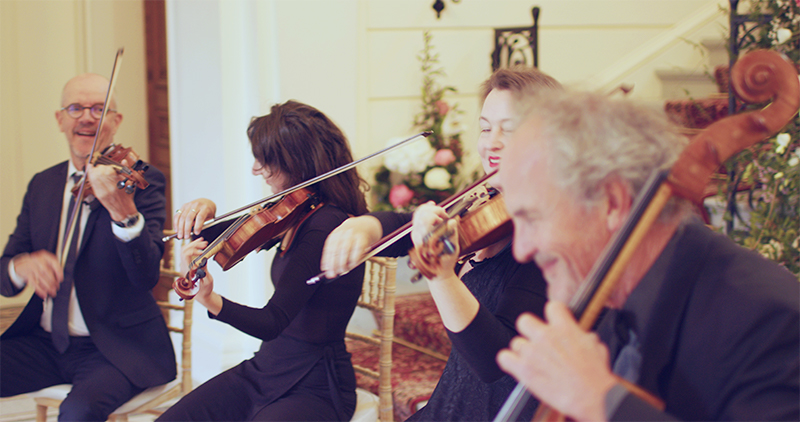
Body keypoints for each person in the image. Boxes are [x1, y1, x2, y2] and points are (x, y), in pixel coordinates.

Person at [495, 90, 800, 421]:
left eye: (532, 218)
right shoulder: (614, 311)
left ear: (611, 202)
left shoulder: (768, 319)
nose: (520, 249)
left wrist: (601, 401)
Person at [320, 67, 560, 421]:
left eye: (509, 129)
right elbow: (416, 222)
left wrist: (443, 278)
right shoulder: (489, 203)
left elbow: (496, 359)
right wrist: (368, 226)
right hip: (448, 406)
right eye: (484, 127)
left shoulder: (549, 237)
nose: (491, 141)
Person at [158, 100, 369, 421]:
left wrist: (210, 299)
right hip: (266, 369)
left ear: (297, 161)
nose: (256, 169)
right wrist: (206, 206)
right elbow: (216, 234)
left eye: (265, 160)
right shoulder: (296, 211)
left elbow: (271, 322)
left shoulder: (325, 225)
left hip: (314, 384)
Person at [0, 73, 175, 421]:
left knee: (78, 413)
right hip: (45, 343)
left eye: (99, 108)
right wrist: (22, 266)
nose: (87, 117)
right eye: (76, 108)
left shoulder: (142, 181)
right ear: (60, 119)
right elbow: (5, 273)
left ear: (115, 120)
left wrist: (124, 214)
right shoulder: (43, 185)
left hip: (115, 349)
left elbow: (145, 276)